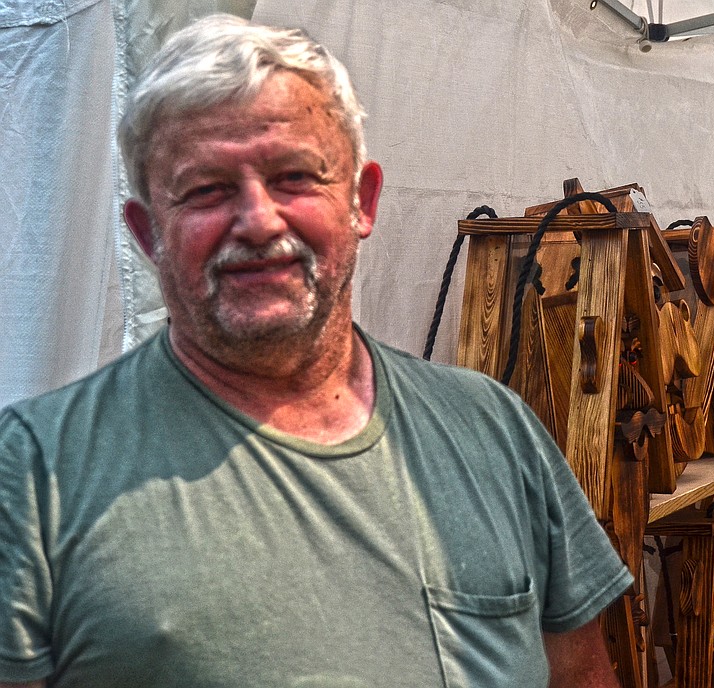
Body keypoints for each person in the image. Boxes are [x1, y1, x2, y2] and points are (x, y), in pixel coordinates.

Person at [0, 14, 632, 688]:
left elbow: (581, 673)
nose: (258, 220)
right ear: (149, 231)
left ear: (362, 202)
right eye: (207, 189)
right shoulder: (39, 471)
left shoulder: (495, 432)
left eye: (295, 177)